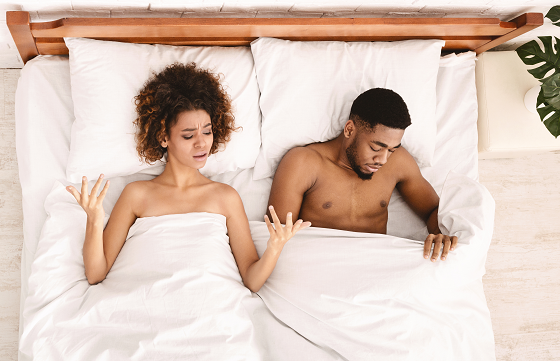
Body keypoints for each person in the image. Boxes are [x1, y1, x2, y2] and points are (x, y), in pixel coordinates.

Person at [66, 62, 310, 289]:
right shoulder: (136, 194)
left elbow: (251, 280)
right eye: (188, 135)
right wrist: (94, 220)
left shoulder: (225, 197)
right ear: (163, 137)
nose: (201, 144)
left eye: (207, 131)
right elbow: (96, 274)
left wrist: (275, 247)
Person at [267, 88, 457, 262]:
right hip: (320, 264)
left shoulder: (398, 162)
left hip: (376, 266)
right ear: (349, 129)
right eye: (376, 147)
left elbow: (433, 209)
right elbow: (276, 236)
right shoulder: (304, 163)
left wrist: (439, 233)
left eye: (392, 149)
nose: (382, 159)